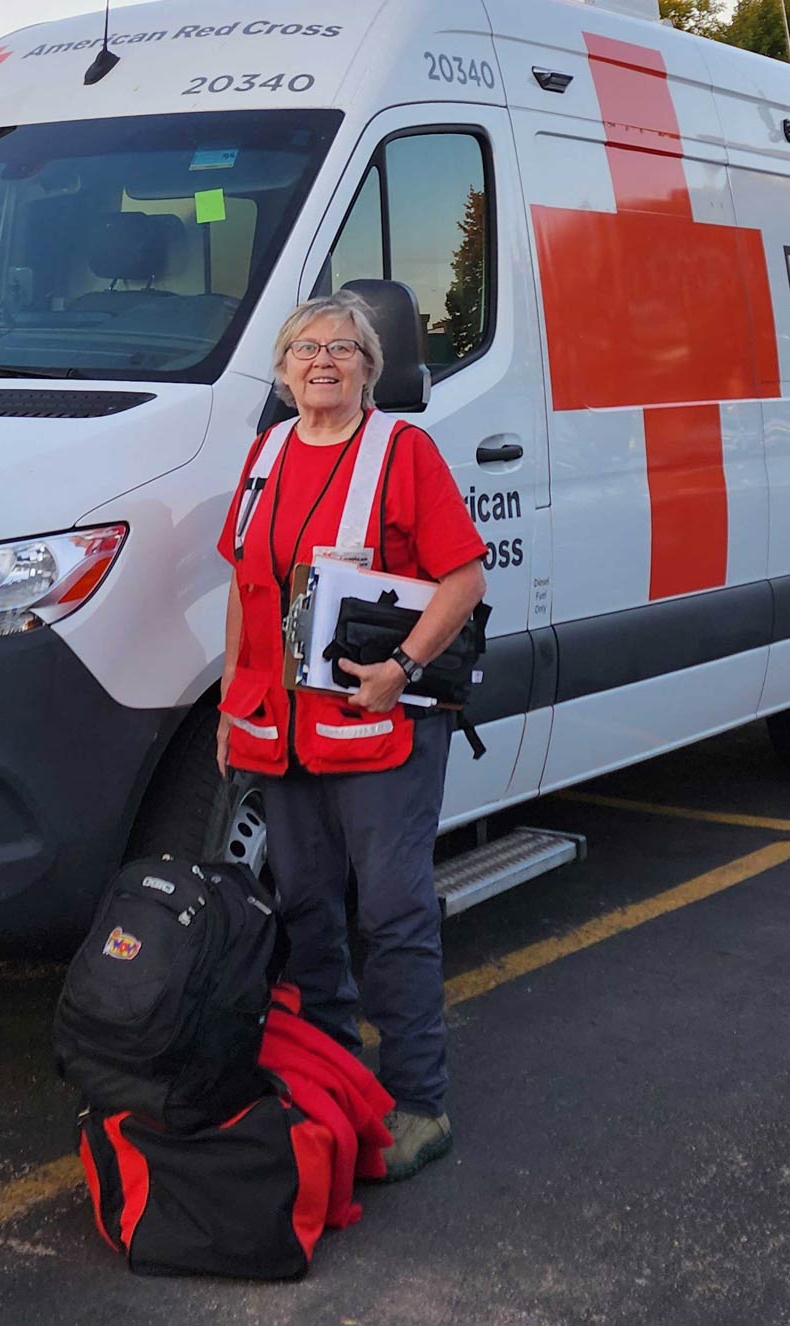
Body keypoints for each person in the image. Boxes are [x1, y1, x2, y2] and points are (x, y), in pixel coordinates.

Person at [215, 291, 487, 1180]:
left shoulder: (402, 452)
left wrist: (402, 666)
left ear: (370, 367)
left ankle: (419, 1102)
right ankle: (336, 1077)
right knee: (306, 911)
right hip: (282, 730)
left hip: (381, 723)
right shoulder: (264, 455)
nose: (321, 360)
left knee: (394, 912)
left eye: (341, 347)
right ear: (284, 368)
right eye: (304, 348)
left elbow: (463, 578)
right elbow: (245, 590)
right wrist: (230, 702)